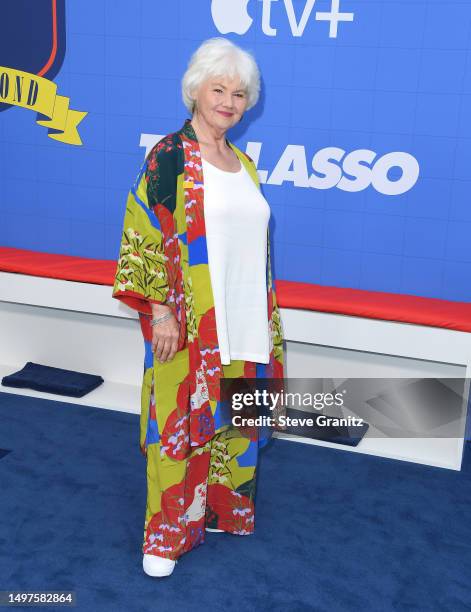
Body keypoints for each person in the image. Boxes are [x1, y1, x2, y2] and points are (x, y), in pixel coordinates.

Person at [112, 37, 284, 578]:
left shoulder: (244, 163)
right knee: (180, 423)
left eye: (239, 93)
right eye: (219, 89)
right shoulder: (169, 155)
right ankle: (164, 537)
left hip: (247, 319)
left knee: (235, 420)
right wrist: (160, 309)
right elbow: (144, 229)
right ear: (196, 91)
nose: (229, 102)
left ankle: (217, 508)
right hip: (189, 322)